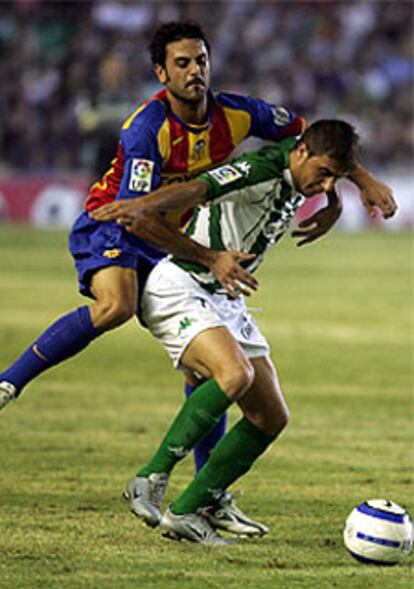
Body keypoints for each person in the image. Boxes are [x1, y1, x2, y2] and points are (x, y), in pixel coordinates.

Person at [0, 22, 396, 532]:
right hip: (121, 220)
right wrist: (209, 257)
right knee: (116, 307)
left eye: (201, 60)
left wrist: (349, 186)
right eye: (182, 63)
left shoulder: (238, 113)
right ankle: (11, 381)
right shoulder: (146, 128)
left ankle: (206, 496)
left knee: (207, 372)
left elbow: (313, 136)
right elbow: (140, 214)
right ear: (161, 72)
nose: (195, 71)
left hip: (177, 234)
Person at [94, 119, 392, 544]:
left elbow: (327, 142)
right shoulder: (260, 170)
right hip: (183, 285)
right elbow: (200, 188)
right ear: (300, 152)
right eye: (323, 174)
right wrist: (144, 204)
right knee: (234, 375)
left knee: (271, 415)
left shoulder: (302, 161)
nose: (326, 186)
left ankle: (190, 510)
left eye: (335, 179)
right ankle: (151, 477)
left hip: (225, 296)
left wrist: (342, 197)